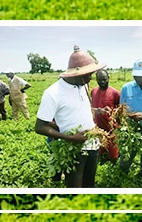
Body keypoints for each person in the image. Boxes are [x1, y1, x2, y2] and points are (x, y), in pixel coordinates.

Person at [34, 45, 105, 188]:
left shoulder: (83, 86)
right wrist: (70, 137)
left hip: (93, 145)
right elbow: (40, 127)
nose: (91, 77)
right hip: (74, 149)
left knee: (89, 183)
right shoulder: (53, 93)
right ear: (78, 74)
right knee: (74, 185)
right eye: (88, 74)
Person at [89, 69, 121, 162]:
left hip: (111, 129)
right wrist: (98, 111)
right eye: (99, 80)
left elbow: (121, 112)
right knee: (98, 152)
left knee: (113, 156)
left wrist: (111, 112)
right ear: (96, 79)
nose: (102, 82)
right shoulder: (93, 91)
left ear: (108, 78)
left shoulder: (116, 93)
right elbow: (91, 107)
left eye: (104, 79)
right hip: (98, 129)